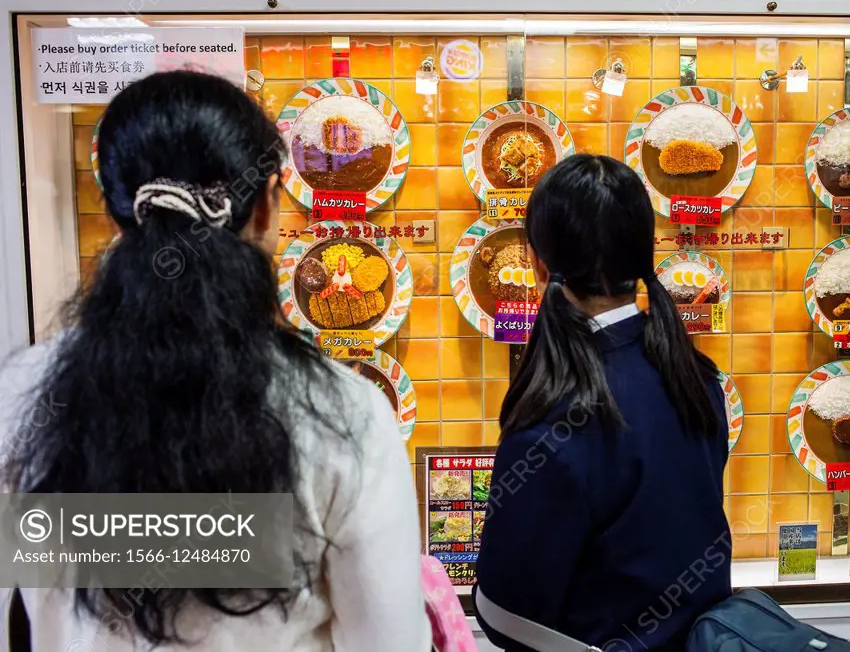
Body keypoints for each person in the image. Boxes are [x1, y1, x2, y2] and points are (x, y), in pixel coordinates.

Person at [0, 71, 430, 651]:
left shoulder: (21, 396)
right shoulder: (345, 414)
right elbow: (388, 642)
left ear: (114, 215)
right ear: (268, 209)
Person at [475, 154, 732, 651]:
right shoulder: (697, 380)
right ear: (643, 253)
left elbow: (506, 609)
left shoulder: (551, 424)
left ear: (538, 262)